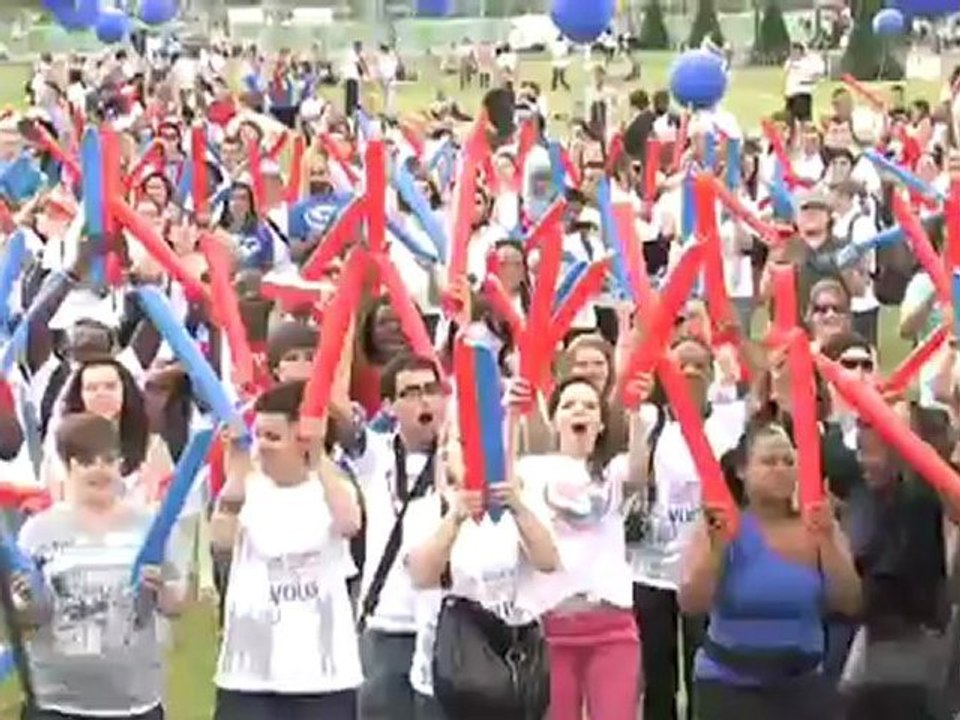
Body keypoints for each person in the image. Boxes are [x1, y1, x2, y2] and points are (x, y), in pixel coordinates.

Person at [405, 352, 559, 720]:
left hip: (509, 676)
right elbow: (422, 575)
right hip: (446, 680)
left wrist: (518, 508)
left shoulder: (523, 498)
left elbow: (548, 561)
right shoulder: (428, 508)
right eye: (462, 443)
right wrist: (456, 515)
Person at [680, 420, 862, 719]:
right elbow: (691, 602)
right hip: (729, 687)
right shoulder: (722, 524)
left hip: (801, 688)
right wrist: (717, 549)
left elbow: (849, 602)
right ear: (742, 470)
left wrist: (828, 540)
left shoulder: (817, 525)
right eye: (768, 462)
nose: (781, 469)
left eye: (788, 461)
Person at [13, 413, 189, 720]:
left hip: (135, 703)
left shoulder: (150, 525)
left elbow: (176, 603)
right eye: (86, 461)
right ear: (67, 466)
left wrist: (160, 589)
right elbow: (28, 617)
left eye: (108, 460)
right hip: (55, 702)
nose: (100, 469)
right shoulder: (38, 531)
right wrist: (25, 599)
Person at [210, 381, 363, 719]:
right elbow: (221, 541)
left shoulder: (331, 486)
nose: (262, 446)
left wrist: (319, 455)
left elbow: (350, 522)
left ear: (303, 438)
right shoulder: (247, 488)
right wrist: (235, 468)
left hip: (322, 680)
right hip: (247, 678)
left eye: (273, 437)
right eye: (259, 435)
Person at [521, 375, 647, 720]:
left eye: (590, 406)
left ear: (601, 423)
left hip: (612, 627)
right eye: (569, 405)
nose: (580, 411)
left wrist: (635, 413)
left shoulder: (614, 472)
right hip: (553, 626)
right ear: (555, 418)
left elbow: (638, 469)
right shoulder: (532, 470)